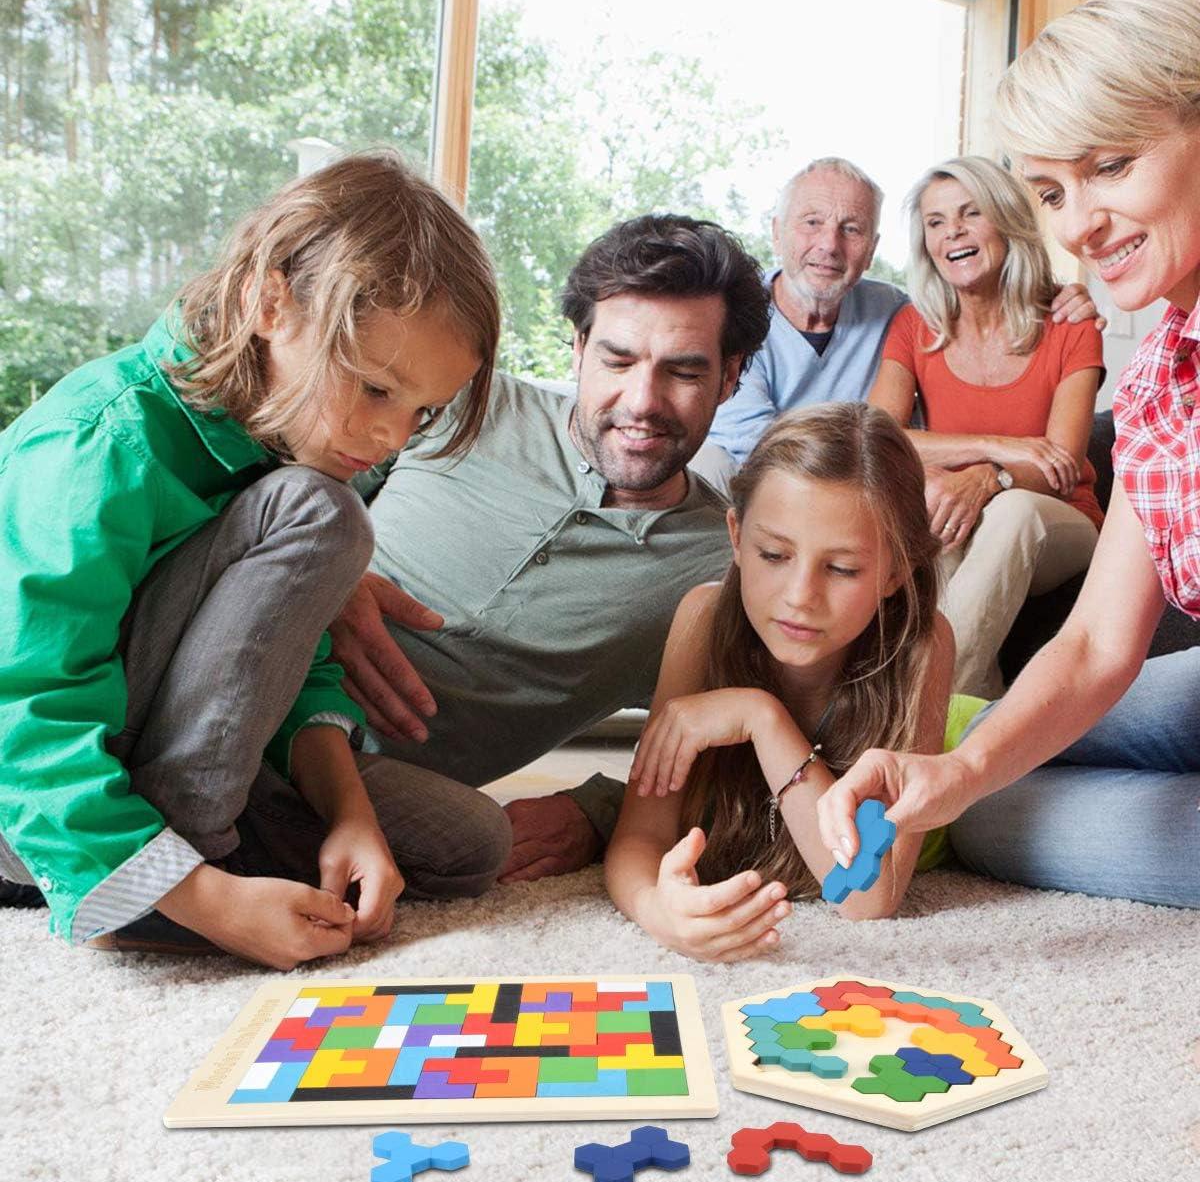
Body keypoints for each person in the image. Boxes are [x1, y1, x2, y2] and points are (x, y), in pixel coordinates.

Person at [0, 151, 508, 969]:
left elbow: (282, 664)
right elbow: (26, 708)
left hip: (174, 754)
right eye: (377, 388)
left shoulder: (290, 434)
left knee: (469, 843)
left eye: (423, 411)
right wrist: (212, 903)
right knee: (322, 512)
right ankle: (173, 878)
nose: (391, 437)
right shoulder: (99, 439)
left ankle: (175, 865)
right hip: (33, 785)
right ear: (270, 303)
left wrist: (350, 815)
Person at [817, 0, 1200, 910]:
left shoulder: (1075, 336)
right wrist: (958, 772)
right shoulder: (1157, 383)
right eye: (1054, 193)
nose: (1079, 227)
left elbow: (1058, 462)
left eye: (1111, 165)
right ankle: (922, 726)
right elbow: (1096, 644)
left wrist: (995, 468)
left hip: (1043, 511)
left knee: (994, 806)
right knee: (975, 805)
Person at [329, 214, 770, 884]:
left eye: (683, 372)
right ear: (579, 349)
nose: (642, 402)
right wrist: (326, 580)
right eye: (618, 360)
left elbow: (765, 760)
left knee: (477, 842)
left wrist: (600, 813)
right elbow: (293, 484)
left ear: (730, 377)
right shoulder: (462, 398)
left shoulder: (718, 565)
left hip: (368, 784)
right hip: (267, 661)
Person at [604, 403, 975, 963]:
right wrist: (657, 908)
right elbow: (640, 834)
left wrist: (762, 718)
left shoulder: (922, 645)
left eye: (842, 569)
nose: (800, 596)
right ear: (736, 536)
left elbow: (868, 897)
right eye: (774, 554)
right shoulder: (703, 620)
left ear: (895, 572)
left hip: (972, 741)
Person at [694, 157, 1100, 491]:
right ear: (777, 232)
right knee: (708, 464)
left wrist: (1059, 294)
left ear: (871, 249)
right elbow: (760, 445)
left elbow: (979, 293)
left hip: (868, 491)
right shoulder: (733, 316)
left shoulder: (895, 312)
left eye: (851, 229)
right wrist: (994, 449)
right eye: (812, 222)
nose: (829, 245)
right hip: (771, 478)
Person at [869, 156, 1104, 698]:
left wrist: (988, 477)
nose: (952, 231)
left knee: (1011, 512)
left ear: (1005, 221)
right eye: (935, 221)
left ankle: (924, 702)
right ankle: (975, 704)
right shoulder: (915, 326)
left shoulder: (1070, 324)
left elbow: (1062, 466)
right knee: (933, 512)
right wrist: (994, 448)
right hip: (961, 511)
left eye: (970, 213)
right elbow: (878, 438)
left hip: (1059, 520)